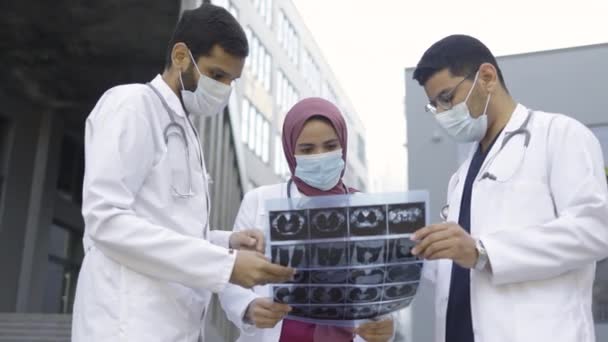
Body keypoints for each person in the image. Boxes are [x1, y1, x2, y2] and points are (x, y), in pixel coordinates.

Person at [71, 4, 293, 341]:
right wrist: (226, 265)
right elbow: (106, 220)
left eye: (231, 80)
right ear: (180, 56)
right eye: (216, 75)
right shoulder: (133, 105)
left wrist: (227, 242)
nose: (223, 89)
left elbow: (166, 225)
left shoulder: (185, 128)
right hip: (126, 326)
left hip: (175, 327)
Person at [410, 34, 608, 342]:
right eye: (435, 106)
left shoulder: (559, 135)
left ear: (486, 77)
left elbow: (594, 230)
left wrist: (483, 251)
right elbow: (460, 268)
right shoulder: (461, 177)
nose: (443, 114)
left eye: (447, 98)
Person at [217, 98, 395, 342]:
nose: (320, 156)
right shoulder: (258, 200)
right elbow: (232, 273)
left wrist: (383, 323)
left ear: (342, 144)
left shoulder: (368, 210)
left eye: (330, 145)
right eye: (307, 149)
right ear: (291, 151)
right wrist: (248, 307)